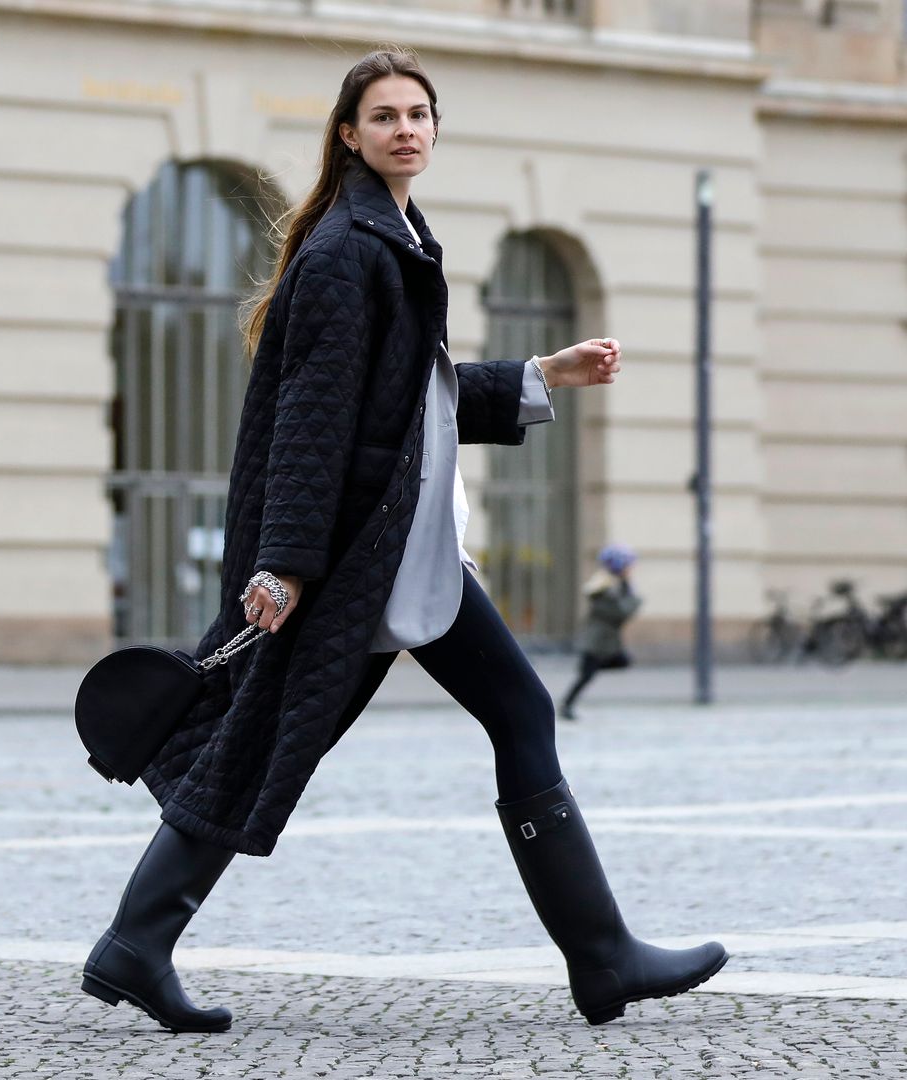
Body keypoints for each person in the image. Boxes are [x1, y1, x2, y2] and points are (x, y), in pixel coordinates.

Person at [80, 47, 727, 1035]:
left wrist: (538, 375)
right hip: (352, 555)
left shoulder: (388, 234)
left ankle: (137, 945)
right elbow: (312, 420)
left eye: (419, 114)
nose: (405, 130)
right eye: (383, 116)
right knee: (468, 714)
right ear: (350, 134)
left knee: (315, 733)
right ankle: (601, 957)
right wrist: (287, 563)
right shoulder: (351, 248)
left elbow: (404, 401)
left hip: (382, 549)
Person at [561, 544, 641, 721]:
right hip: (596, 641)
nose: (631, 570)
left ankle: (568, 703)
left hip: (606, 641)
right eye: (628, 566)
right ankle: (566, 705)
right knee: (586, 675)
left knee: (617, 664)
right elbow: (622, 611)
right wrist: (630, 592)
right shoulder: (605, 589)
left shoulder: (612, 585)